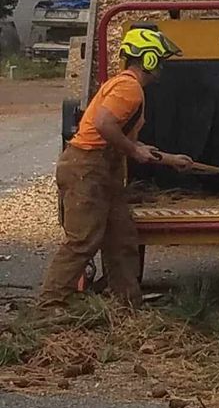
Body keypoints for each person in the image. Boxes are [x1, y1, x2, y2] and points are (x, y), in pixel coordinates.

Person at [38, 28, 194, 310]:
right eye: (160, 59)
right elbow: (104, 124)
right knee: (82, 240)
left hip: (102, 170)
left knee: (120, 238)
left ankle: (127, 306)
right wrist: (133, 150)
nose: (162, 66)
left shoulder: (126, 87)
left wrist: (170, 159)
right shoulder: (128, 88)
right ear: (147, 59)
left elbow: (125, 138)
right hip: (87, 167)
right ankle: (50, 307)